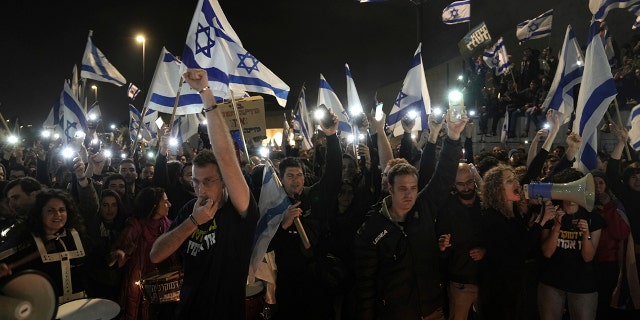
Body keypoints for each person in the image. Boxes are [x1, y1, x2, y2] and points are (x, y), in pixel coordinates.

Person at [149, 68, 259, 319]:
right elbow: (156, 254)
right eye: (196, 181)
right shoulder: (190, 211)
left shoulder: (240, 208)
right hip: (188, 311)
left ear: (224, 181)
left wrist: (205, 94)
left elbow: (226, 157)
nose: (201, 188)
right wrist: (193, 222)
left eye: (208, 180)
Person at [354, 111, 467, 320]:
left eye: (413, 188)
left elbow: (442, 177)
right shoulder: (372, 228)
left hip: (432, 310)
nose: (409, 194)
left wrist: (452, 137)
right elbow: (365, 285)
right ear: (390, 188)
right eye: (403, 188)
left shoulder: (423, 208)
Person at [268, 106, 342, 319]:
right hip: (290, 284)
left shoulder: (314, 196)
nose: (296, 180)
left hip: (317, 280)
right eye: (290, 176)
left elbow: (333, 175)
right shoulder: (274, 206)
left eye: (299, 175)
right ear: (281, 179)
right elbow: (267, 244)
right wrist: (283, 225)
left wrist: (331, 137)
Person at [478, 164, 554, 320]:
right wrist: (541, 221)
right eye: (509, 181)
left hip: (514, 286)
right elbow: (517, 251)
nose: (517, 184)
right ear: (497, 189)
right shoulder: (491, 217)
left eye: (515, 179)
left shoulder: (514, 213)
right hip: (499, 291)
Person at [0, 188, 89, 304]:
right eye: (50, 211)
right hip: (42, 311)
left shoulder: (76, 236)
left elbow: (94, 265)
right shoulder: (25, 241)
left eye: (62, 210)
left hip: (77, 306)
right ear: (40, 213)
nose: (58, 215)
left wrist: (112, 257)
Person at [538, 168, 605, 320]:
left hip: (583, 285)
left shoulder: (592, 219)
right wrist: (556, 227)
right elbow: (547, 252)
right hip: (552, 282)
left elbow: (588, 257)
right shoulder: (550, 215)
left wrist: (586, 234)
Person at [112, 187, 175, 320]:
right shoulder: (136, 225)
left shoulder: (168, 224)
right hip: (140, 279)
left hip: (164, 280)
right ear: (154, 205)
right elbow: (121, 246)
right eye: (165, 201)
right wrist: (120, 253)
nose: (169, 204)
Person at [437, 163, 486, 320]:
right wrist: (442, 246)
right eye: (460, 184)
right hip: (460, 281)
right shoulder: (447, 208)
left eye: (469, 182)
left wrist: (486, 251)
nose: (466, 188)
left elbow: (497, 236)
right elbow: (441, 243)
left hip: (485, 277)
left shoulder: (484, 204)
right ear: (454, 184)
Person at [85, 189, 127, 301]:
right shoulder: (92, 227)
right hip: (95, 283)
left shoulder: (124, 227)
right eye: (105, 205)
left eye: (114, 205)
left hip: (118, 282)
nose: (110, 210)